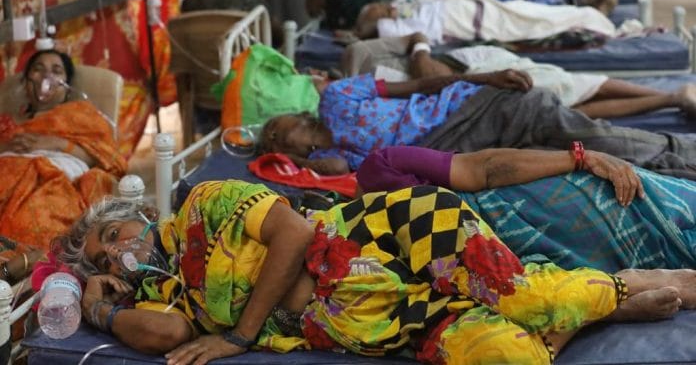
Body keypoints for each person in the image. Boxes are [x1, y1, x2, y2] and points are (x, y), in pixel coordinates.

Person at [55, 179, 696, 364]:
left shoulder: (202, 204)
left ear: (136, 214)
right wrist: (96, 300)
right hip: (391, 324)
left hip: (398, 234)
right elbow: (163, 341)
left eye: (113, 236)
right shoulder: (168, 297)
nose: (118, 253)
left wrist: (239, 335)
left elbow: (296, 233)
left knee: (521, 298)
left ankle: (625, 289)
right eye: (104, 258)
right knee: (505, 354)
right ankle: (595, 307)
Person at [258, 56, 696, 181]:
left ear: (298, 114)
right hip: (466, 152)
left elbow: (417, 86)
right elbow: (343, 170)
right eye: (276, 145)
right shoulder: (336, 156)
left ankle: (684, 151)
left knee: (595, 138)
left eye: (278, 130)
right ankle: (682, 173)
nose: (283, 140)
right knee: (589, 165)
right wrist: (300, 164)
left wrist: (487, 76)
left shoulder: (336, 96)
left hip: (475, 106)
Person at [357, 145, 696, 273]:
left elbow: (484, 170)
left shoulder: (380, 171)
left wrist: (583, 157)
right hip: (545, 252)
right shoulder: (357, 268)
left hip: (562, 207)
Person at [340, 33, 696, 119]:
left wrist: (419, 56)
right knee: (556, 109)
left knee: (560, 84)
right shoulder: (350, 99)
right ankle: (670, 97)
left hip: (471, 68)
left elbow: (419, 43)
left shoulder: (359, 54)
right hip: (455, 96)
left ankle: (674, 95)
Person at [0, 49, 127, 250]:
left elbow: (108, 160)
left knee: (37, 217)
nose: (46, 77)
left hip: (54, 180)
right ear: (26, 82)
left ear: (67, 86)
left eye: (56, 71)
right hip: (7, 175)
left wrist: (56, 144)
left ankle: (29, 263)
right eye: (38, 69)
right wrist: (8, 145)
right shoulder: (9, 122)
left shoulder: (81, 114)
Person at [351, 0, 616, 42]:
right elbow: (374, 31)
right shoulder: (394, 28)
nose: (386, 7)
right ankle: (588, 17)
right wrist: (362, 31)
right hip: (473, 20)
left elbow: (407, 1)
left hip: (476, 5)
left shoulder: (403, 9)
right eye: (381, 11)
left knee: (538, 12)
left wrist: (396, 9)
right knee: (538, 22)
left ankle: (586, 14)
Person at [181, 0, 284, 47]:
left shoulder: (189, 4)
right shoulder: (255, 5)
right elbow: (278, 39)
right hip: (243, 73)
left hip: (200, 73)